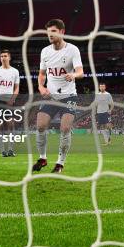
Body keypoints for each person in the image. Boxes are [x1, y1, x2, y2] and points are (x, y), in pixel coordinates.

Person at [33, 19, 83, 174]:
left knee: (65, 128)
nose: (50, 34)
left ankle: (60, 163)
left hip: (69, 96)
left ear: (62, 32)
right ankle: (42, 158)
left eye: (53, 31)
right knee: (40, 126)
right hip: (51, 97)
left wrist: (73, 74)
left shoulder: (72, 50)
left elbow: (81, 72)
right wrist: (41, 87)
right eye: (48, 32)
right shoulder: (45, 51)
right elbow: (42, 74)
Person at [0, 50, 20, 157]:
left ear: (9, 57)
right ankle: (3, 150)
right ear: (0, 58)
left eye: (5, 56)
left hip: (10, 101)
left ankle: (11, 150)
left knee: (11, 124)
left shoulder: (15, 71)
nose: (3, 57)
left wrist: (12, 99)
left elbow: (16, 88)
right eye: (1, 56)